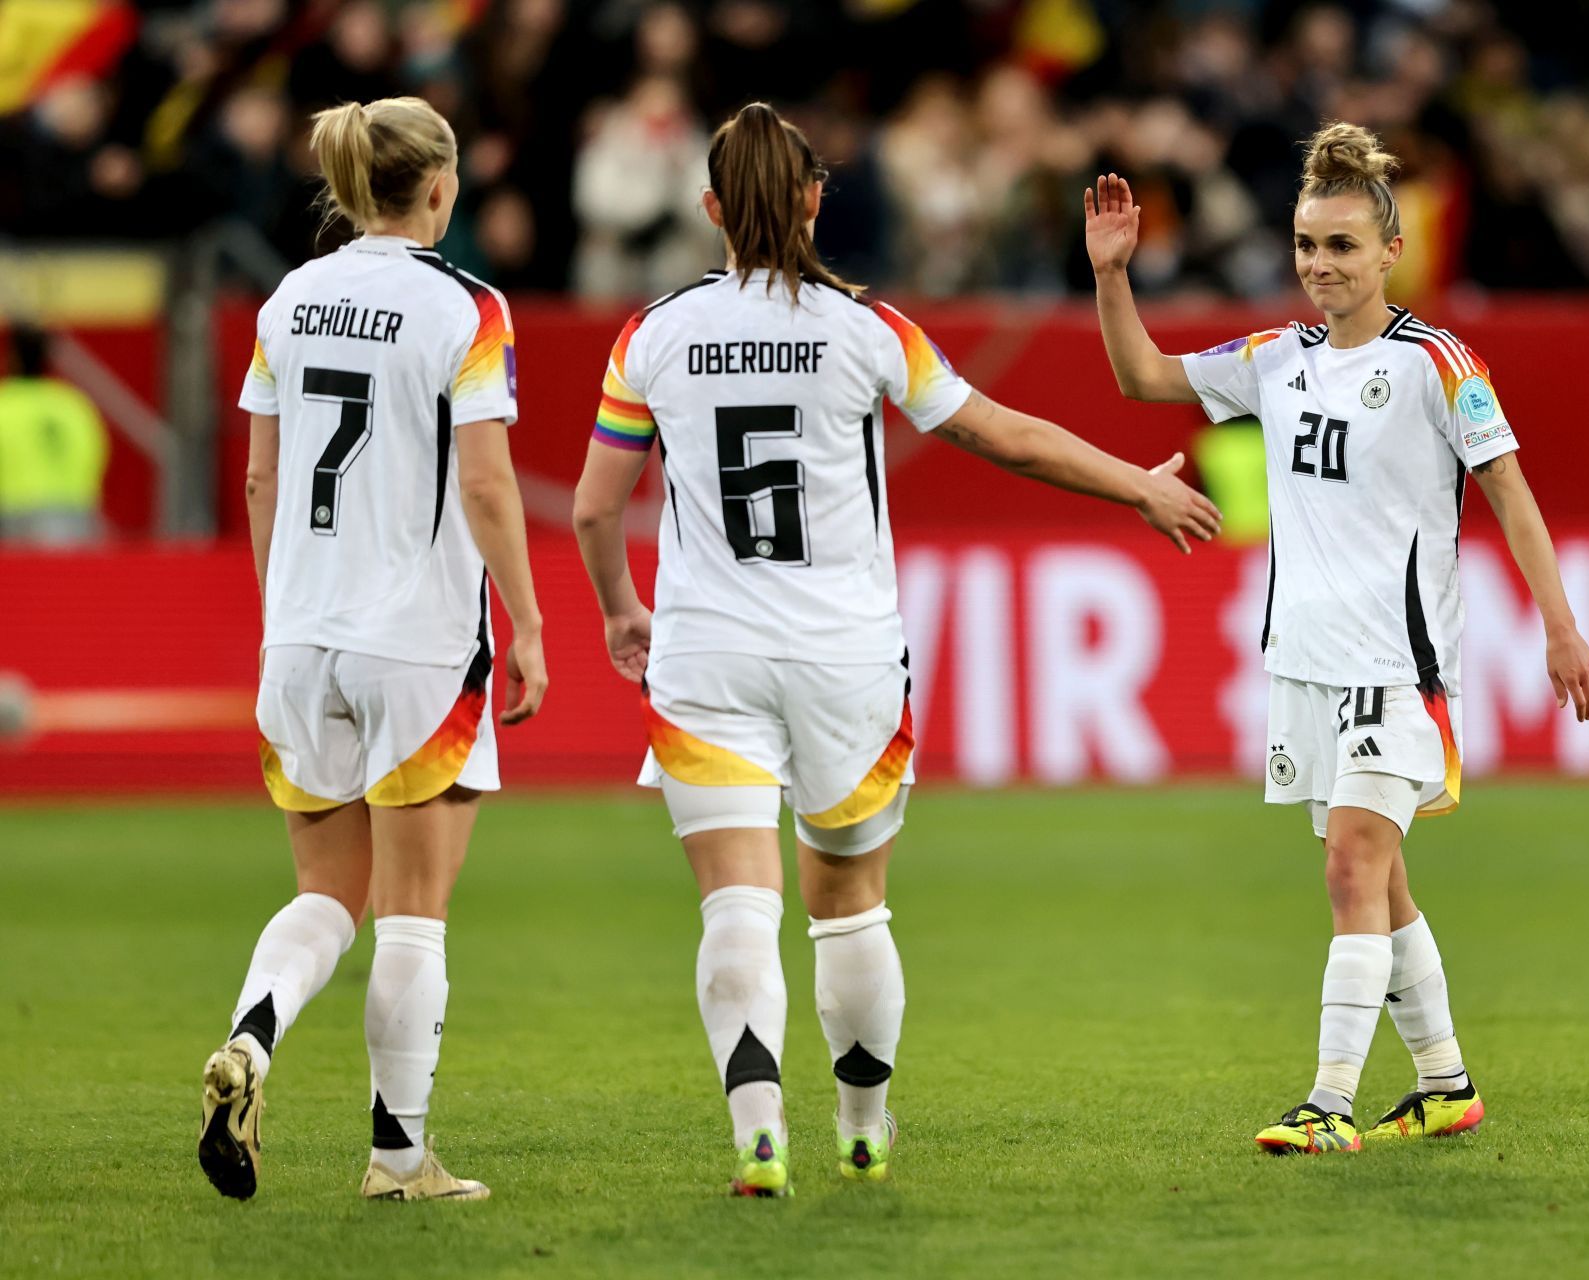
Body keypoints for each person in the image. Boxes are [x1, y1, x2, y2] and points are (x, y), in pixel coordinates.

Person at [572, 101, 1220, 1198]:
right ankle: (864, 1124)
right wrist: (1140, 485)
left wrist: (621, 609)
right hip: (846, 657)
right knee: (851, 901)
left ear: (710, 209)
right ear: (817, 197)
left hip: (707, 654)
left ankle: (758, 1132)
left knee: (737, 903)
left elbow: (596, 508)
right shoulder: (866, 328)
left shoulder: (653, 336)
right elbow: (1002, 433)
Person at [1084, 123, 1589, 1154]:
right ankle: (1445, 1081)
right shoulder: (1275, 359)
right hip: (1305, 667)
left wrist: (1560, 625)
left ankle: (1328, 1101)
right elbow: (1143, 375)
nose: (1321, 265)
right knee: (1382, 879)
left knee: (1351, 874)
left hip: (1398, 668)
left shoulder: (1437, 363)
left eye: (1342, 247)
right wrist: (1111, 276)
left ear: (1389, 252)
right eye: (1308, 246)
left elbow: (1509, 489)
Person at [200, 95, 548, 1203]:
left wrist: (287, 610)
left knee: (324, 891)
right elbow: (488, 480)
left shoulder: (290, 299)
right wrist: (531, 621)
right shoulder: (469, 306)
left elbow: (259, 476)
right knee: (411, 904)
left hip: (300, 634)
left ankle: (252, 1038)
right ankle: (399, 1159)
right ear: (440, 188)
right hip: (419, 641)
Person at [0, 325, 110, 546]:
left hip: (14, 520)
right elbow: (97, 453)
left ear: (13, 357)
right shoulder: (73, 405)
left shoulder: (5, 404)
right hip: (76, 519)